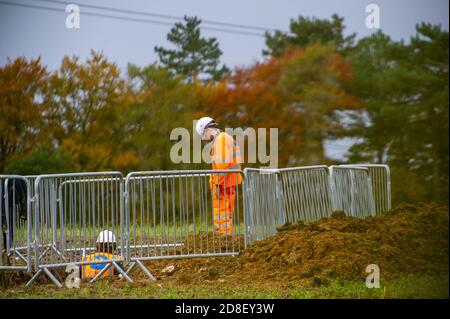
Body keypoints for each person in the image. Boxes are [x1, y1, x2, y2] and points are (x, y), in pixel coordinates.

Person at [195, 117, 242, 235]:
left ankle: (223, 241)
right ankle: (226, 240)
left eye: (202, 135)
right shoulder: (226, 138)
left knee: (222, 214)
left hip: (223, 184)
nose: (203, 138)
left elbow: (222, 166)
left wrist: (216, 183)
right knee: (226, 215)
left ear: (206, 130)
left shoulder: (220, 140)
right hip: (229, 183)